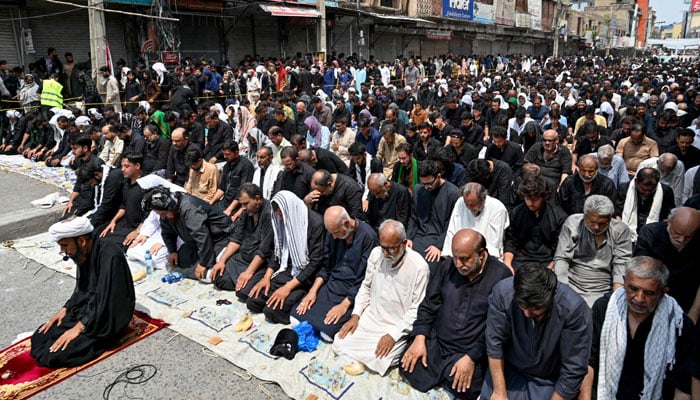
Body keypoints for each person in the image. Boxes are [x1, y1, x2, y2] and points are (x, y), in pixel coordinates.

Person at [400, 229, 512, 399]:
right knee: (409, 365)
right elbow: (429, 305)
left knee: (469, 386)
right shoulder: (447, 266)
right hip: (438, 343)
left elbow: (497, 328)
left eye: (465, 259)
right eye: (455, 257)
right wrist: (420, 338)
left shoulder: (501, 276)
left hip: (469, 351)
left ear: (481, 254)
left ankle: (447, 374)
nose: (459, 264)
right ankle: (441, 373)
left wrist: (471, 357)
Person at [582, 256, 693, 400]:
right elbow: (588, 362)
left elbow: (682, 384)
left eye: (648, 293)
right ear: (624, 281)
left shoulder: (679, 324)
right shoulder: (604, 308)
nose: (639, 298)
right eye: (633, 289)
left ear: (662, 293)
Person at [31, 217, 135, 368]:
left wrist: (79, 327)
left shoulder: (110, 254)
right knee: (40, 337)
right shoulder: (84, 252)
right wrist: (66, 308)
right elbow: (83, 288)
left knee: (52, 355)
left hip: (107, 317)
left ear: (81, 241)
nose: (63, 251)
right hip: (91, 309)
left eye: (65, 245)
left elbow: (105, 297)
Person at [481, 264, 593, 400]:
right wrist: (499, 391)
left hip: (549, 379)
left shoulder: (574, 310)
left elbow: (574, 368)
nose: (527, 313)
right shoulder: (503, 293)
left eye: (535, 308)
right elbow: (494, 343)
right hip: (509, 371)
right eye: (523, 306)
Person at [333, 219, 430, 376]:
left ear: (404, 243)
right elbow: (366, 286)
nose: (385, 253)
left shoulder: (419, 267)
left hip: (396, 324)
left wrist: (393, 335)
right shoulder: (376, 254)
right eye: (383, 247)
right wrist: (356, 315)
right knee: (339, 342)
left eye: (390, 249)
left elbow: (416, 308)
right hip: (372, 317)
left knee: (380, 359)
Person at [291, 206, 378, 340]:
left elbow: (365, 279)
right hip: (332, 285)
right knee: (295, 318)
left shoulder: (368, 237)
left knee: (327, 333)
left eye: (336, 232)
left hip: (352, 291)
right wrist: (312, 292)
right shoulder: (333, 234)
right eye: (331, 233)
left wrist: (344, 305)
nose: (334, 237)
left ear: (347, 223)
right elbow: (326, 267)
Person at [246, 190, 325, 324]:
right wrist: (266, 278)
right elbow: (278, 253)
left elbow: (314, 263)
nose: (280, 219)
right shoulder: (281, 220)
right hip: (286, 270)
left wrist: (287, 288)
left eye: (282, 215)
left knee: (272, 311)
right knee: (252, 300)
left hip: (303, 277)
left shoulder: (315, 223)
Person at [554, 195, 633, 307]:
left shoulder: (620, 230)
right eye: (592, 222)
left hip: (604, 288)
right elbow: (561, 259)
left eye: (602, 223)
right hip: (572, 283)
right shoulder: (572, 224)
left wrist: (615, 299)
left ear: (610, 219)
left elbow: (621, 265)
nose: (596, 227)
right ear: (585, 216)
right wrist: (564, 291)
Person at [143, 186, 232, 281]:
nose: (163, 217)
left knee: (204, 270)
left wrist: (203, 263)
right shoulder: (167, 212)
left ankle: (208, 271)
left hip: (220, 238)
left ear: (170, 207)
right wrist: (172, 251)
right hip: (194, 243)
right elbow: (167, 233)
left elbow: (202, 237)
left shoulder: (189, 208)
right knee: (180, 260)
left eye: (163, 214)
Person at [635, 207, 700, 322]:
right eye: (677, 234)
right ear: (668, 222)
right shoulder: (650, 234)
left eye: (688, 237)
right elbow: (642, 276)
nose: (681, 240)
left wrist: (692, 317)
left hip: (689, 297)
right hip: (654, 295)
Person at [211, 183, 274, 301]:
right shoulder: (246, 212)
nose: (243, 208)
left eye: (246, 204)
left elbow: (264, 250)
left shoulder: (268, 214)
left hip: (259, 262)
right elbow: (236, 238)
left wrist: (249, 272)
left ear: (257, 199)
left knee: (243, 292)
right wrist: (222, 261)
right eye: (242, 204)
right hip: (242, 257)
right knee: (218, 277)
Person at [505, 174, 568, 271]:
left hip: (547, 261)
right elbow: (511, 241)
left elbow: (560, 251)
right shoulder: (517, 212)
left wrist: (549, 270)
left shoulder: (558, 216)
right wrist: (508, 265)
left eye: (535, 199)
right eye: (527, 198)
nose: (530, 203)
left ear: (544, 197)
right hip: (520, 260)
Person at [407, 160, 461, 265]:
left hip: (439, 239)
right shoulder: (419, 189)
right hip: (418, 237)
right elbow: (413, 218)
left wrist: (439, 245)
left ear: (439, 176)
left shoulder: (453, 194)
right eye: (424, 184)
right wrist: (409, 238)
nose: (427, 187)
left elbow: (453, 225)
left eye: (430, 184)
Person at [443, 182, 510, 262]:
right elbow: (452, 230)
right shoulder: (460, 202)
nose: (468, 208)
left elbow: (493, 243)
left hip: (484, 257)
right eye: (466, 204)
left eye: (472, 205)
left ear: (483, 199)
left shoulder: (497, 208)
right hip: (459, 253)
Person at [617, 167, 675, 242]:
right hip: (627, 234)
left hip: (655, 234)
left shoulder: (666, 192)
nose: (646, 193)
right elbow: (618, 213)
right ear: (636, 181)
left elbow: (667, 217)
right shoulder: (624, 188)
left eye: (650, 190)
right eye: (643, 189)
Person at [211, 140, 254, 216]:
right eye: (224, 154)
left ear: (237, 153)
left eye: (227, 154)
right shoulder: (227, 166)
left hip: (237, 205)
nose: (224, 157)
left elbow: (243, 191)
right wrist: (210, 203)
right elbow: (222, 188)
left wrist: (229, 209)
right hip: (224, 202)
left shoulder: (246, 166)